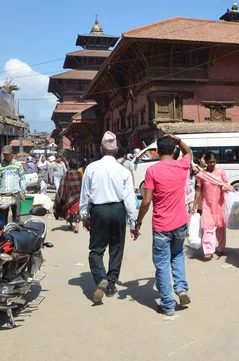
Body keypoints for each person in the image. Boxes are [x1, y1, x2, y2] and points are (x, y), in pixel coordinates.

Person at [135, 135, 193, 316]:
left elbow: (146, 201)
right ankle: (181, 288)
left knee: (161, 264)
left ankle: (168, 305)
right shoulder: (181, 165)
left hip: (162, 225)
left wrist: (138, 222)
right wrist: (178, 140)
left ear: (157, 152)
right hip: (181, 222)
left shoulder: (152, 171)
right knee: (177, 256)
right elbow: (189, 152)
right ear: (174, 151)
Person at [79, 131, 138, 303]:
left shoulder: (91, 168)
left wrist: (84, 216)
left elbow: (85, 195)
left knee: (96, 249)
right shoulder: (124, 170)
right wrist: (133, 223)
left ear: (101, 149)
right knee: (117, 247)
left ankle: (100, 278)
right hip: (119, 210)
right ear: (117, 149)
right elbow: (129, 199)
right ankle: (111, 283)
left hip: (99, 211)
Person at [193, 152, 232, 259]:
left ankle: (220, 248)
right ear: (205, 162)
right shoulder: (201, 175)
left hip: (220, 203)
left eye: (214, 162)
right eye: (210, 162)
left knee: (221, 227)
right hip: (207, 204)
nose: (212, 164)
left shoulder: (221, 173)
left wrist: (225, 188)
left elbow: (226, 185)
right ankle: (208, 251)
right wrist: (194, 206)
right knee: (207, 227)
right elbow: (198, 190)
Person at [0, 145, 26, 223]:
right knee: (3, 217)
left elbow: (22, 178)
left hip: (15, 194)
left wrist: (23, 191)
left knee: (16, 216)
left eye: (7, 154)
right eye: (4, 154)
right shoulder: (0, 167)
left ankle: (16, 232)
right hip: (3, 195)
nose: (5, 156)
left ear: (12, 154)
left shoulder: (18, 165)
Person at [54, 158, 83, 234]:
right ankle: (76, 226)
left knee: (69, 210)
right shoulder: (79, 174)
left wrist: (60, 197)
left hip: (69, 196)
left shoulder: (66, 174)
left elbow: (62, 186)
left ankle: (70, 225)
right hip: (77, 195)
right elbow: (82, 185)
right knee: (77, 212)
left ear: (69, 165)